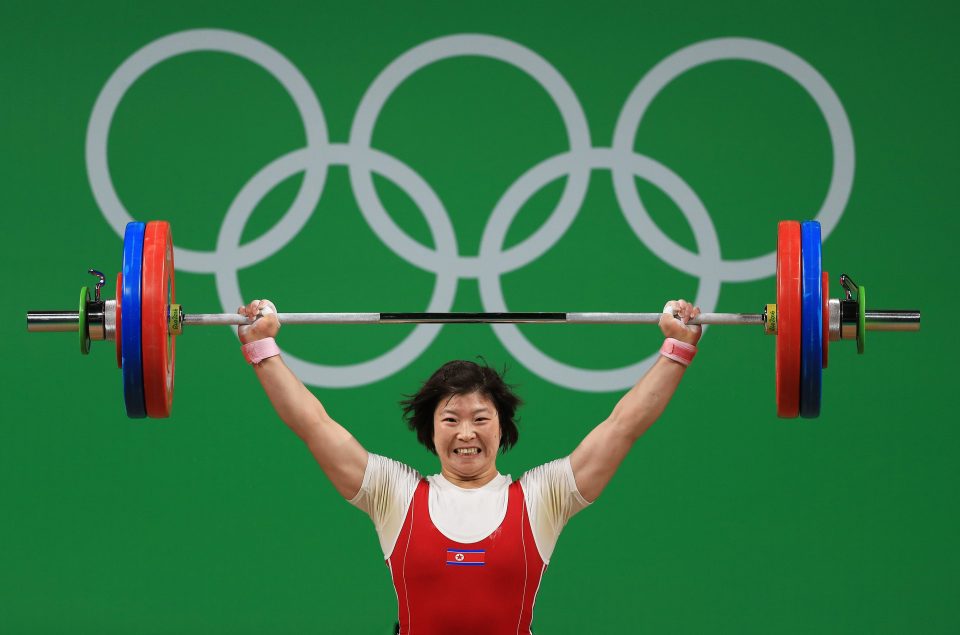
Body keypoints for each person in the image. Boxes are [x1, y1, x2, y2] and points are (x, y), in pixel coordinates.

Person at [237, 298, 702, 634]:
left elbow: (622, 426)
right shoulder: (394, 493)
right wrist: (262, 351)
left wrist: (676, 351)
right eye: (451, 420)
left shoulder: (543, 497)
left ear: (502, 429)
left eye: (481, 419)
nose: (466, 433)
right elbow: (315, 425)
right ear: (430, 430)